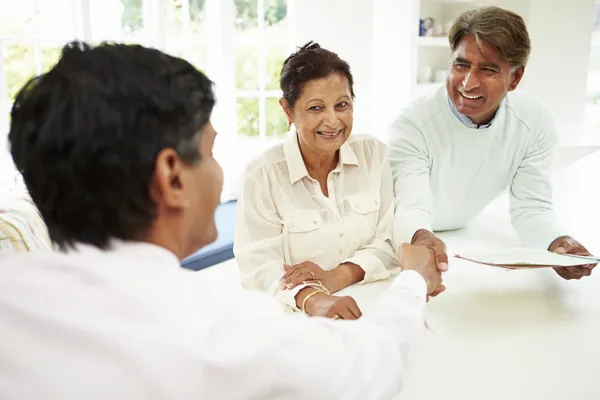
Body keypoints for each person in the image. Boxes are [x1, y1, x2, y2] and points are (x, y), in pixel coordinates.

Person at [0, 41, 442, 399]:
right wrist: (413, 281)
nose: (217, 171)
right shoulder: (221, 332)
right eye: (210, 151)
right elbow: (371, 364)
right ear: (172, 177)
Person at [234, 41, 445, 317]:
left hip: (374, 303)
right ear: (288, 110)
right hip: (296, 319)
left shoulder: (373, 154)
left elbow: (388, 242)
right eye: (316, 108)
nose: (332, 121)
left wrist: (336, 277)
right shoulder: (262, 175)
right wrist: (314, 298)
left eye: (342, 105)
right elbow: (259, 268)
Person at [389, 6, 596, 281]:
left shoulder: (534, 120)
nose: (468, 83)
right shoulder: (414, 122)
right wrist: (421, 237)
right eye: (461, 64)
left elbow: (531, 207)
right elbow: (410, 206)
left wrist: (557, 243)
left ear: (515, 77)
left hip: (460, 235)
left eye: (487, 70)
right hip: (395, 238)